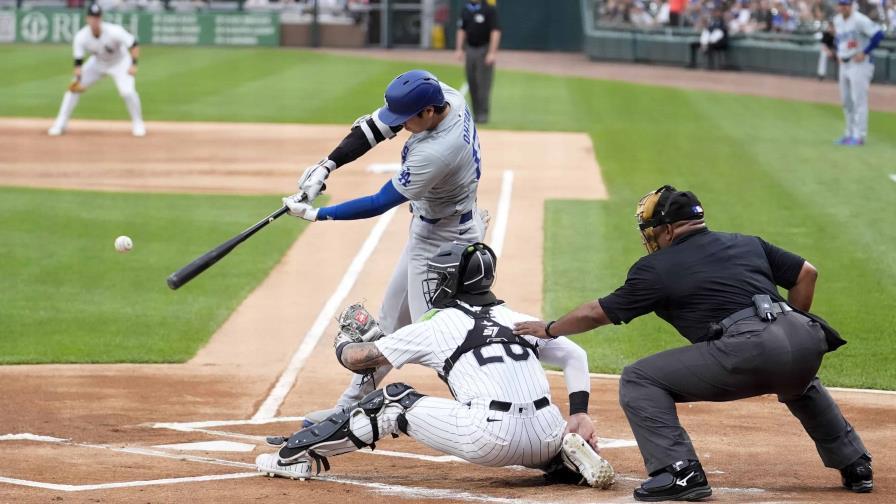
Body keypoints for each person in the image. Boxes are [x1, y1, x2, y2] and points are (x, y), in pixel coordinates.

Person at [514, 186, 873, 502]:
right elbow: (807, 272)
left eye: (652, 229)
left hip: (748, 346)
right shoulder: (748, 243)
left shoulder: (656, 268)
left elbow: (597, 313)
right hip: (805, 335)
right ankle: (856, 464)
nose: (649, 237)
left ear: (668, 229)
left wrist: (549, 328)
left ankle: (679, 471)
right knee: (799, 380)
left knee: (640, 379)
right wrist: (785, 327)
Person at [255, 242, 615, 489]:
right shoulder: (519, 319)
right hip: (547, 432)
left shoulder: (437, 325)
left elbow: (357, 360)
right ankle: (561, 460)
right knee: (536, 431)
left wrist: (346, 342)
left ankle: (293, 456)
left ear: (452, 282)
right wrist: (579, 411)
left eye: (439, 277)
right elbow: (574, 355)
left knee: (391, 401)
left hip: (489, 438)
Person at [282, 69, 489, 421]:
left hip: (446, 242)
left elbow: (379, 202)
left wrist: (317, 214)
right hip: (434, 229)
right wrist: (327, 165)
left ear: (427, 113)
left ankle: (491, 407)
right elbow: (375, 128)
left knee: (439, 336)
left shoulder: (438, 152)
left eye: (405, 119)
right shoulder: (445, 96)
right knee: (390, 326)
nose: (398, 125)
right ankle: (348, 410)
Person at [48, 4, 145, 137]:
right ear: (87, 19)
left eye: (97, 17)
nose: (95, 20)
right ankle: (60, 124)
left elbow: (134, 43)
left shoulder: (114, 31)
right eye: (92, 17)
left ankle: (138, 124)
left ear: (101, 18)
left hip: (120, 63)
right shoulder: (81, 36)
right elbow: (78, 61)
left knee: (127, 92)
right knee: (72, 90)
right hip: (97, 63)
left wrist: (133, 65)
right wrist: (78, 75)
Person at [832, 0, 884, 146]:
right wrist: (837, 52)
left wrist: (865, 52)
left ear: (851, 5)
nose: (843, 7)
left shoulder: (860, 19)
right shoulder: (837, 20)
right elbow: (838, 39)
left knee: (859, 101)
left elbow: (879, 34)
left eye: (846, 4)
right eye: (841, 4)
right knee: (846, 101)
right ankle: (848, 133)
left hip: (860, 64)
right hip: (845, 63)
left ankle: (859, 136)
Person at [454, 0, 501, 124]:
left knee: (483, 83)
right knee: (472, 81)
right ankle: (475, 114)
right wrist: (459, 48)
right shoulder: (466, 9)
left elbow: (495, 31)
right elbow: (461, 29)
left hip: (484, 49)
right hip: (470, 49)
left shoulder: (489, 9)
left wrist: (492, 52)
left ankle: (483, 114)